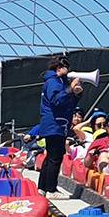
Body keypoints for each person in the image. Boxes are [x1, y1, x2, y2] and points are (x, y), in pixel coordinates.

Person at [33, 55, 81, 196]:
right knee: (55, 156)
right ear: (59, 68)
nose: (69, 71)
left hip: (57, 124)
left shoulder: (58, 82)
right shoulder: (54, 82)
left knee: (52, 156)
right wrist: (69, 89)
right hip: (55, 124)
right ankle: (51, 189)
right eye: (66, 68)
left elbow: (66, 103)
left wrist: (76, 94)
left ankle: (42, 187)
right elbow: (56, 101)